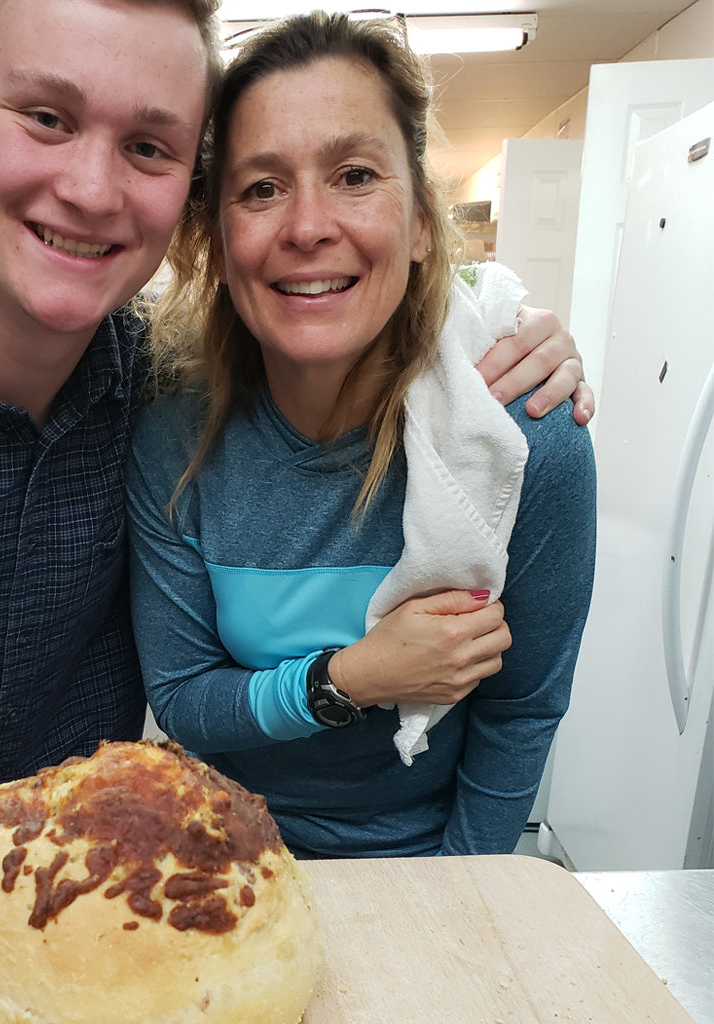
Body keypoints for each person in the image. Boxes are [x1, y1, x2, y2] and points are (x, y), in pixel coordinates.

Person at [0, 0, 588, 943]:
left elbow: (521, 704)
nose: (89, 188)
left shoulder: (151, 385)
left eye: (151, 147)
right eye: (47, 116)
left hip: (86, 902)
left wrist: (507, 336)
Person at [126, 11, 596, 859]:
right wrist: (350, 679)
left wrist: (462, 894)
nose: (307, 225)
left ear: (420, 224)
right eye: (261, 188)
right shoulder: (171, 438)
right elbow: (186, 697)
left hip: (432, 858)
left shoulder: (521, 439)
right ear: (220, 244)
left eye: (353, 174)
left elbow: (521, 711)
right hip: (222, 853)